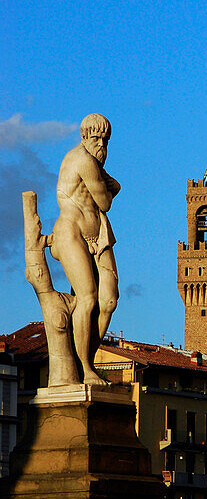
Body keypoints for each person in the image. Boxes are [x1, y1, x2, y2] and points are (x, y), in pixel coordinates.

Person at [49, 113, 120, 386]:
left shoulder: (94, 163)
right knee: (88, 298)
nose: (101, 145)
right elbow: (105, 201)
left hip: (99, 236)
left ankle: (84, 361)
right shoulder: (83, 160)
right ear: (83, 137)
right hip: (71, 233)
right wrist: (111, 186)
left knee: (109, 300)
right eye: (96, 138)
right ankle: (86, 368)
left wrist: (108, 184)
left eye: (105, 140)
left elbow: (104, 194)